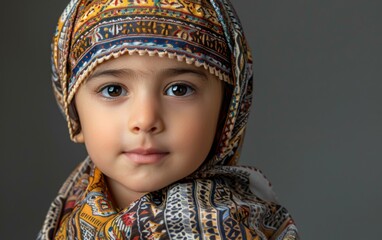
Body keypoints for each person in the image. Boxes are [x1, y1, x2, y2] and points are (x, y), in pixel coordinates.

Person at [38, 0, 299, 239]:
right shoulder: (70, 214)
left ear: (227, 110)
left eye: (179, 89)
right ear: (74, 110)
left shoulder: (235, 230)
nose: (145, 119)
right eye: (113, 90)